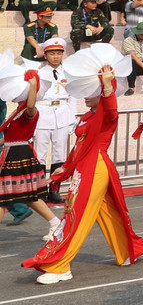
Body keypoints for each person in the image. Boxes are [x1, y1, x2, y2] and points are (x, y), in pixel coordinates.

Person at [23, 63, 143, 284]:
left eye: (91, 92)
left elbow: (111, 112)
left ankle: (60, 265)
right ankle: (131, 250)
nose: (85, 96)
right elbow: (78, 147)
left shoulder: (106, 115)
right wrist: (67, 168)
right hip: (83, 168)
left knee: (76, 215)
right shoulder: (85, 117)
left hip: (96, 168)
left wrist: (108, 86)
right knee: (106, 212)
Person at [0, 71, 64, 242]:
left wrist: (33, 85)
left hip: (18, 155)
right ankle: (56, 223)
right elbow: (9, 138)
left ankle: (56, 223)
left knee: (23, 197)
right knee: (16, 197)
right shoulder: (16, 113)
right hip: (11, 153)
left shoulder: (31, 111)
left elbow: (30, 107)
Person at [34, 39, 81, 203]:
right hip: (42, 113)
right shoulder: (38, 73)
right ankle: (39, 191)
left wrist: (72, 118)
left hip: (62, 113)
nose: (56, 57)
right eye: (52, 53)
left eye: (59, 53)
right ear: (45, 55)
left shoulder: (68, 73)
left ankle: (54, 190)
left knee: (58, 154)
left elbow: (73, 96)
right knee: (39, 154)